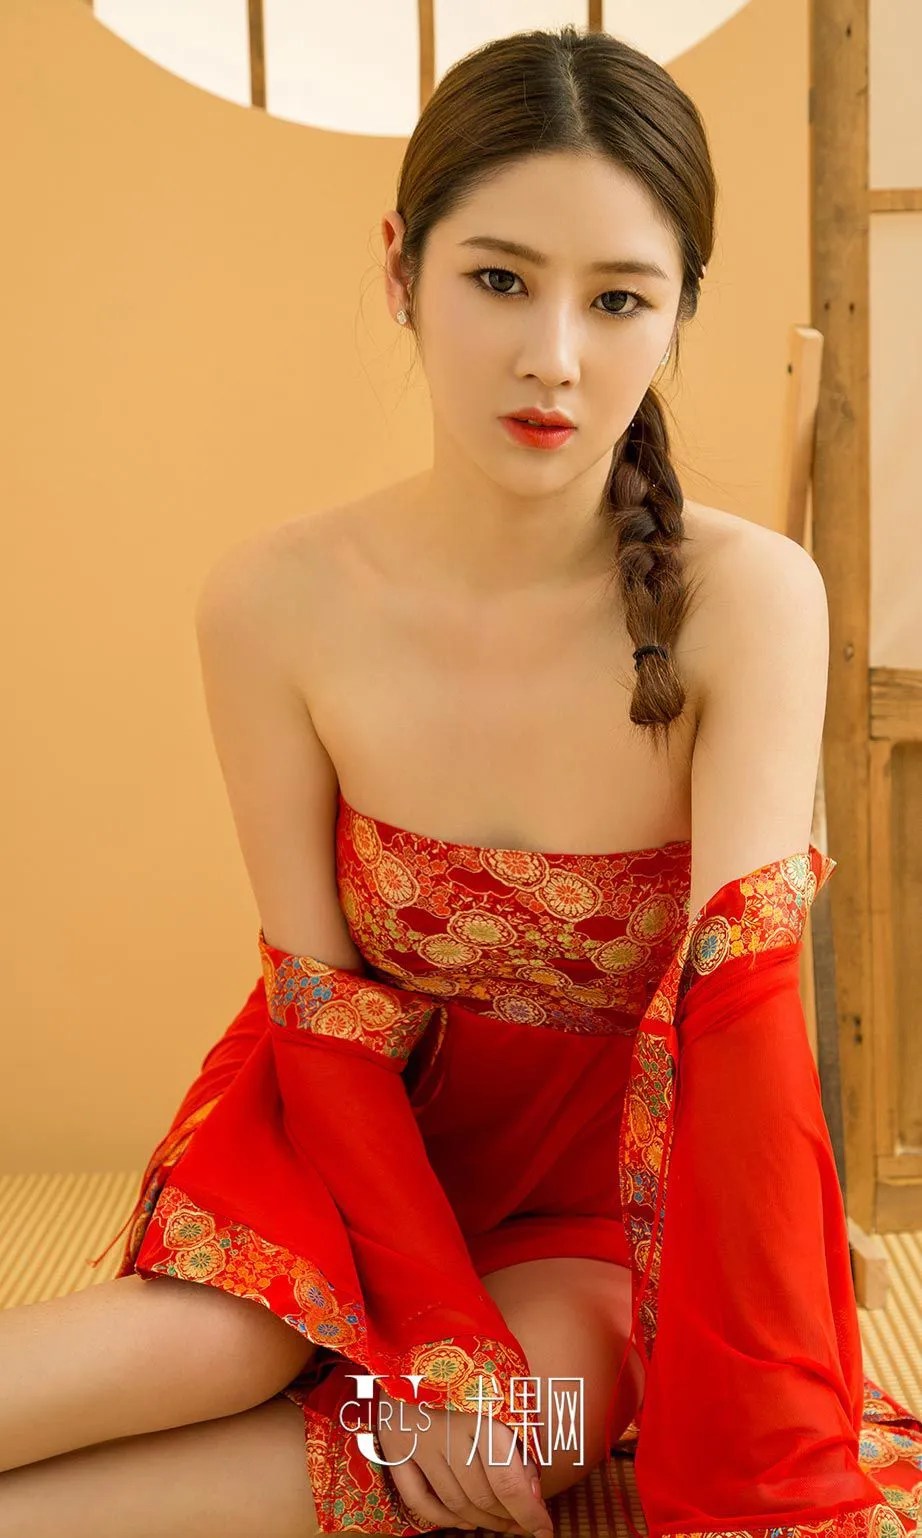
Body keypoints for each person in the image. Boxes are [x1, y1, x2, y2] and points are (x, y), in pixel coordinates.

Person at [2, 22, 920, 1538]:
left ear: (677, 313)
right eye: (498, 279)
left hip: (597, 1212)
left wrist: (770, 1473)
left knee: (507, 1440)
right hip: (340, 1145)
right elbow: (318, 1007)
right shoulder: (273, 602)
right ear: (400, 270)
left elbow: (747, 1026)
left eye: (617, 298)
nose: (553, 355)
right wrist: (428, 1327)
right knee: (211, 1352)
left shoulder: (748, 601)